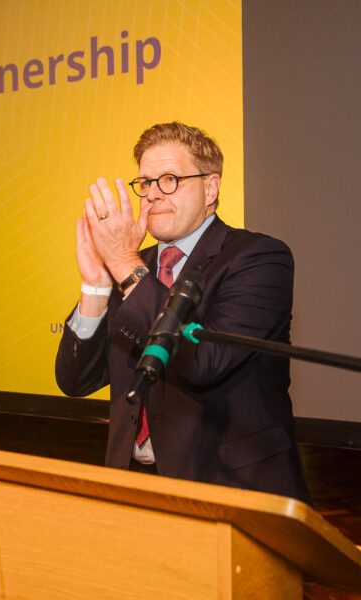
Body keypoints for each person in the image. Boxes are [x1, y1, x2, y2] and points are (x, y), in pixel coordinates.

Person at [54, 121, 311, 504]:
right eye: (145, 183)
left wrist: (123, 265)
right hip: (133, 485)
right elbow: (75, 381)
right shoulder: (132, 269)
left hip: (230, 489)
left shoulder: (257, 258)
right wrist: (96, 286)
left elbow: (205, 362)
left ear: (211, 188)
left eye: (170, 180)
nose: (153, 194)